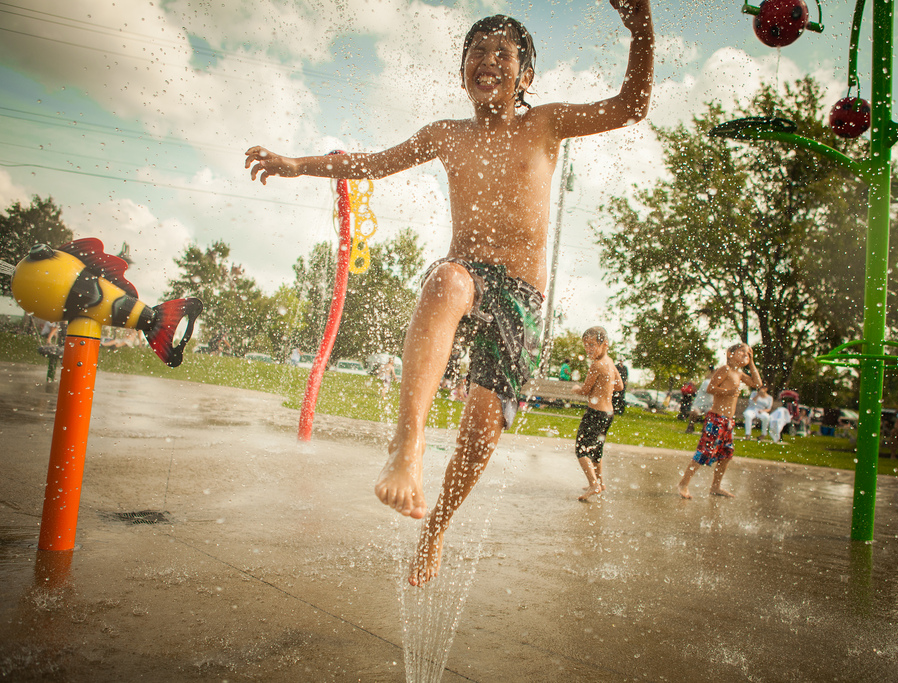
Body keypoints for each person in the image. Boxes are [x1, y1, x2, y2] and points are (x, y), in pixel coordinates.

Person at [246, 1, 655, 586]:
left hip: (520, 298)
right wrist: (297, 165)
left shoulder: (545, 124)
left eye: (503, 54)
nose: (488, 61)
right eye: (476, 53)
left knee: (481, 430)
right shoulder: (446, 134)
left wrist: (640, 32)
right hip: (466, 276)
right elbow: (371, 162)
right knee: (445, 278)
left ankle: (435, 528)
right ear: (462, 71)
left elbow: (630, 107)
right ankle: (406, 447)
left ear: (526, 76)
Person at [678, 343, 762, 499]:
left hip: (728, 421)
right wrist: (728, 391)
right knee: (704, 452)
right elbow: (710, 388)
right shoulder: (725, 370)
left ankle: (715, 487)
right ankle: (684, 483)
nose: (745, 354)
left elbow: (758, 384)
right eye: (741, 351)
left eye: (748, 353)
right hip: (716, 418)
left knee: (726, 454)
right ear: (730, 354)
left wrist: (751, 363)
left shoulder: (740, 374)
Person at [571, 327, 624, 502]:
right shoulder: (609, 362)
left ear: (604, 344)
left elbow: (585, 390)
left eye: (592, 344)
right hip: (608, 413)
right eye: (585, 345)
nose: (588, 349)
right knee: (596, 449)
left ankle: (593, 484)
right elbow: (619, 386)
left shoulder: (596, 365)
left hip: (595, 413)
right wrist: (603, 388)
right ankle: (600, 481)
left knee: (582, 449)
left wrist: (577, 389)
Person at [685, 365, 714, 434]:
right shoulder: (707, 382)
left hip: (709, 406)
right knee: (694, 412)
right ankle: (690, 426)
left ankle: (705, 428)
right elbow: (710, 390)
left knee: (711, 412)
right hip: (699, 405)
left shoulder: (717, 383)